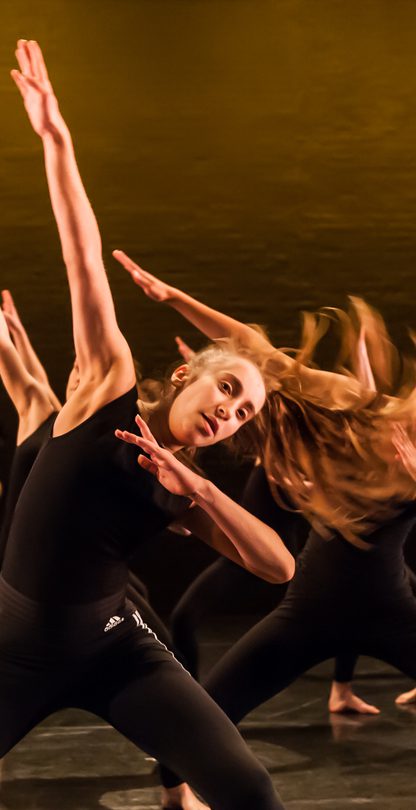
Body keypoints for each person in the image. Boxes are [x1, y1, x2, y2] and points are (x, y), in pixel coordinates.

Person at [2, 39, 297, 810]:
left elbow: (278, 569)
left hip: (113, 653)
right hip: (12, 648)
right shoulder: (105, 389)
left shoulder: (183, 490)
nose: (230, 411)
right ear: (185, 375)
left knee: (249, 788)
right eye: (227, 387)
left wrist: (196, 491)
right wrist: (56, 141)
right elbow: (83, 261)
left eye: (244, 413)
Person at [113, 250, 416, 804]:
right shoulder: (357, 403)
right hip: (310, 607)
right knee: (205, 713)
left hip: (392, 608)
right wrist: (175, 298)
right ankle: (174, 796)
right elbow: (260, 355)